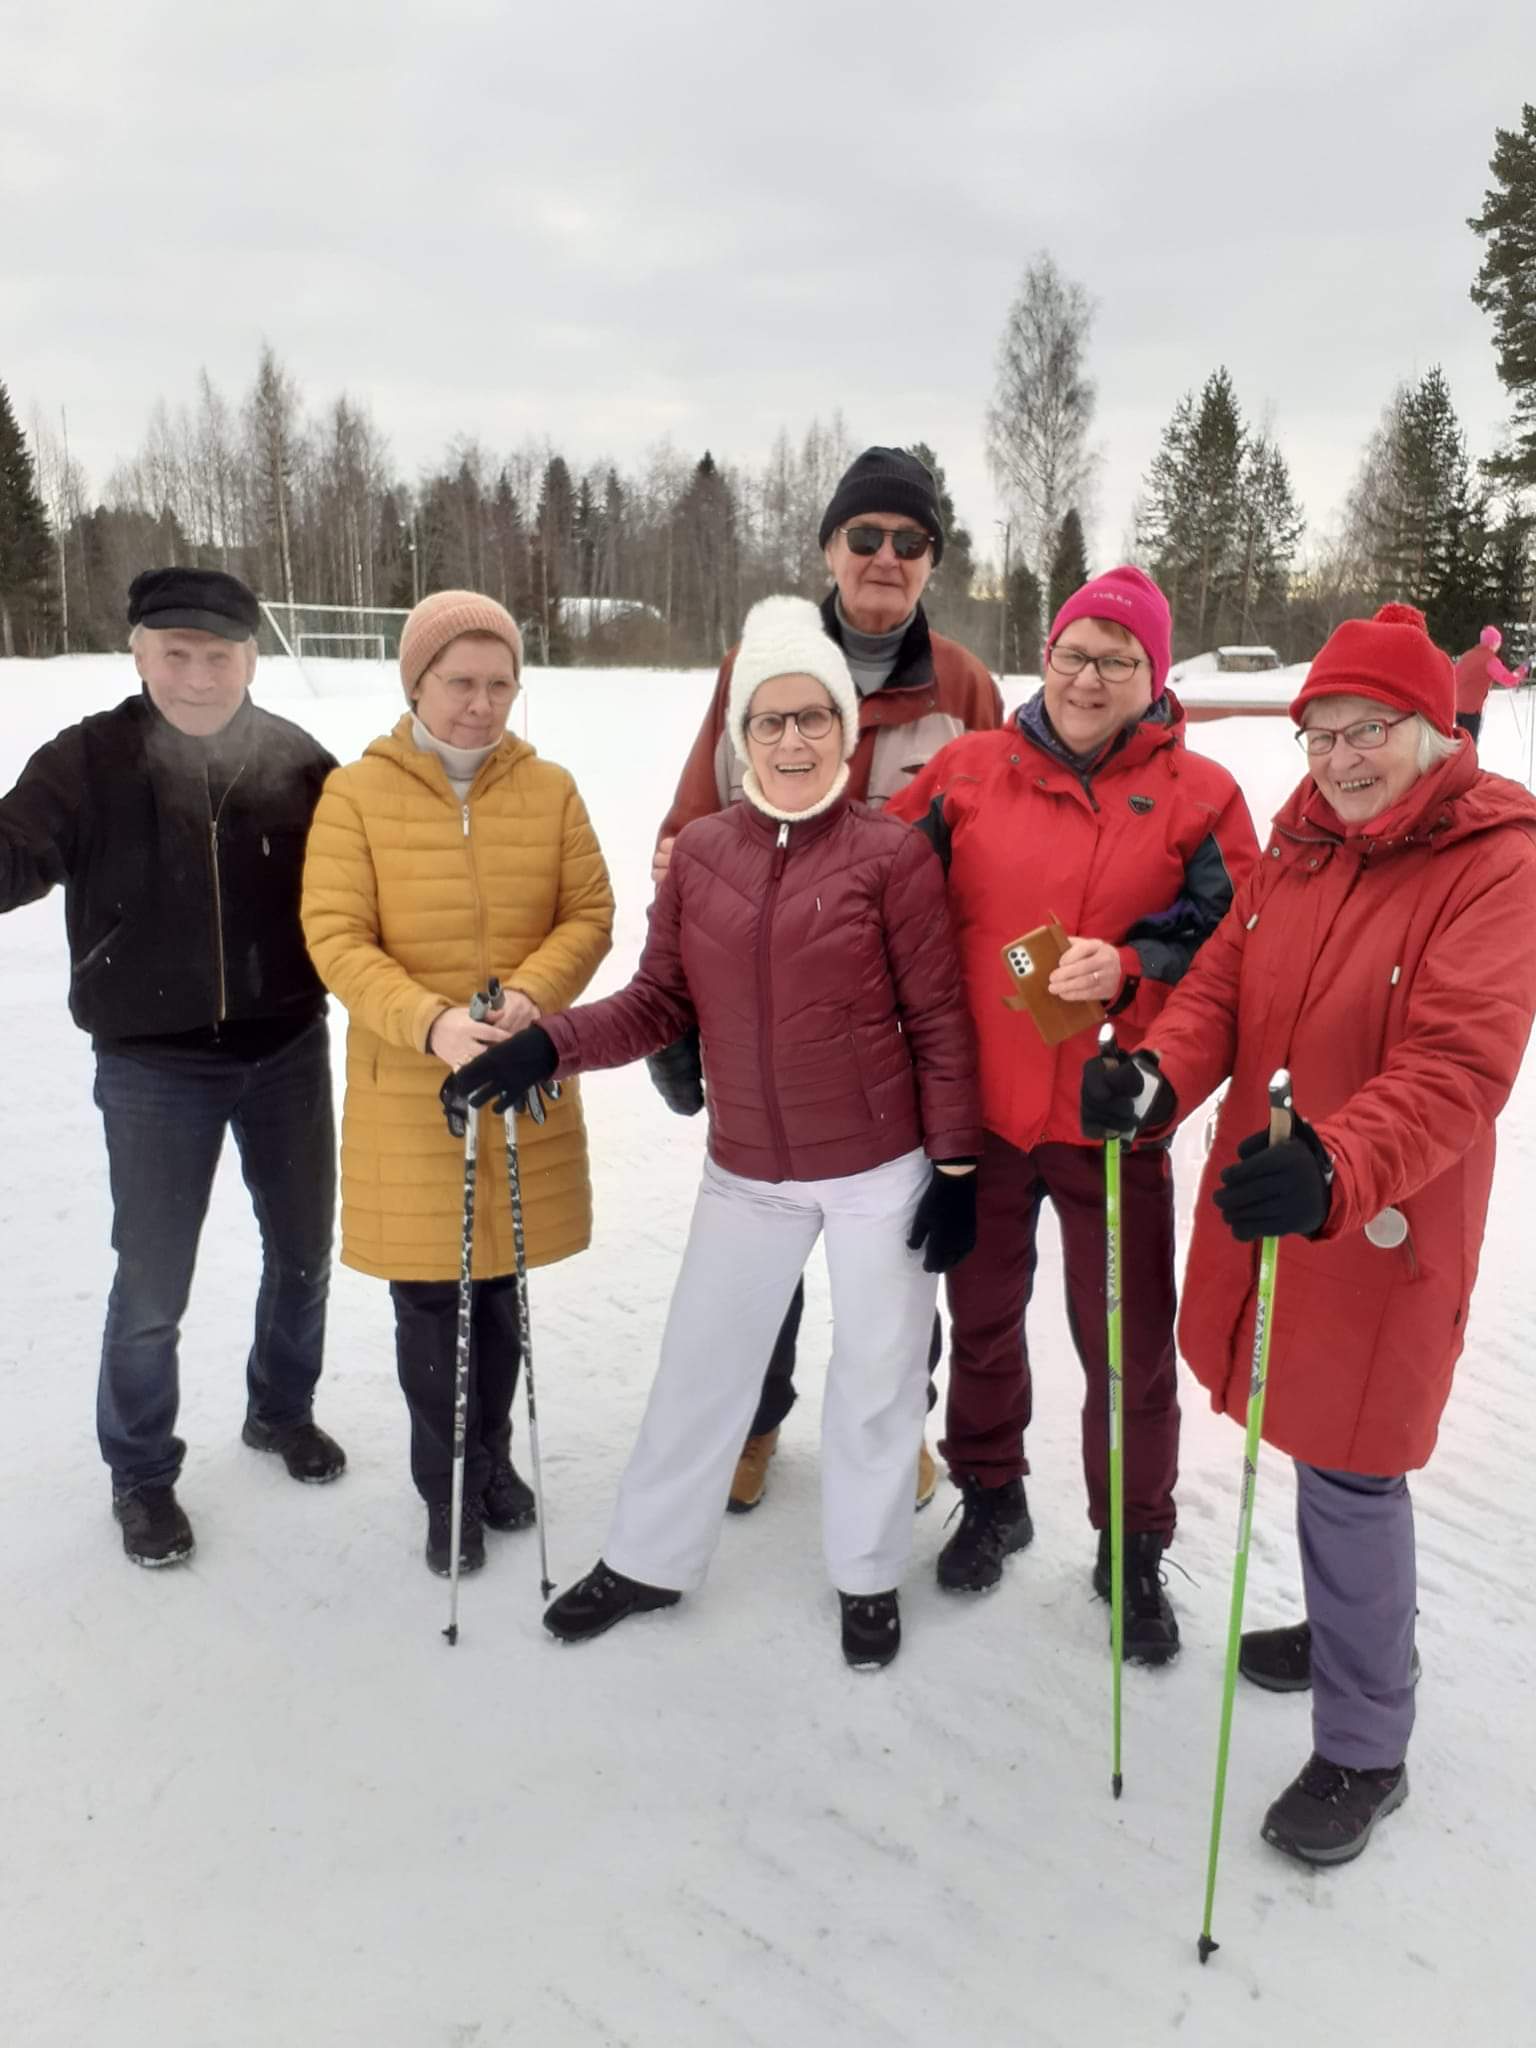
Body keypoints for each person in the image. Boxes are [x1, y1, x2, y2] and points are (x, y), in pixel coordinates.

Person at [1082, 601, 1536, 1861]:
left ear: (1436, 728)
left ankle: (1366, 1741)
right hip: (1278, 1198)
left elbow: (1461, 1061)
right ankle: (1352, 1630)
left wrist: (1338, 1162)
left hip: (1376, 1211)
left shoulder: (1496, 860)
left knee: (1352, 1462)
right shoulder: (1301, 847)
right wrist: (1159, 1077)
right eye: (1320, 732)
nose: (1340, 758)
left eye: (1369, 730)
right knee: (1304, 1419)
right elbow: (1221, 984)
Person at [448, 596, 981, 1669]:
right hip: (747, 1169)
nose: (793, 740)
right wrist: (545, 1046)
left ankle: (868, 1572)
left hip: (879, 1165)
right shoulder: (700, 855)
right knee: (701, 1364)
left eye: (814, 718)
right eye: (770, 721)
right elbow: (657, 1001)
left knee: (878, 1378)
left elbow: (939, 1018)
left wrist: (957, 1163)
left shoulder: (892, 856)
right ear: (741, 738)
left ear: (842, 725)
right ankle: (649, 1556)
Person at [884, 566, 1258, 1662]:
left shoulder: (1202, 795)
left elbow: (1236, 947)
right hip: (985, 1119)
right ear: (1044, 658)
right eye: (1074, 653)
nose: (1092, 676)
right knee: (984, 1319)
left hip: (1113, 1121)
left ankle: (1133, 1543)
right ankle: (992, 1492)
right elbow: (882, 890)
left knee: (1127, 1347)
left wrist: (1136, 964)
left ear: (1155, 674)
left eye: (1120, 658)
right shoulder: (967, 771)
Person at [650, 447, 1003, 1515]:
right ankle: (754, 1423)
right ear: (828, 549)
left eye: (909, 541)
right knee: (762, 1238)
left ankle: (898, 1432)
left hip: (901, 1023)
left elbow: (1004, 847)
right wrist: (674, 1009)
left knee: (899, 1253)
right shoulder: (757, 666)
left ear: (931, 561)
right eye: (866, 536)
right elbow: (692, 828)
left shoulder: (963, 685)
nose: (885, 557)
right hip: (773, 1014)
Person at [0, 568, 344, 1567]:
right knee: (151, 1283)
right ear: (140, 652)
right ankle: (142, 1473)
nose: (198, 677)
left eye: (220, 655)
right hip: (153, 1066)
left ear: (251, 657)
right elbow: (12, 851)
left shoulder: (299, 761)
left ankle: (281, 1410)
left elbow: (374, 882)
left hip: (285, 1047)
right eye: (177, 653)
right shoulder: (86, 763)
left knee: (302, 1253)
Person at [301, 591, 613, 1576]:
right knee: (433, 1301)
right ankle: (446, 1490)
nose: (481, 703)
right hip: (412, 1091)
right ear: (417, 682)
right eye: (459, 682)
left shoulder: (552, 787)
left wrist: (532, 997)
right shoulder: (356, 792)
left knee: (500, 1291)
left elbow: (589, 912)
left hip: (517, 1083)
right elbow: (336, 937)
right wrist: (430, 1021)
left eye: (499, 683)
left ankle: (493, 1461)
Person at [1453, 624, 1527, 745]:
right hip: (1472, 711)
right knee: (1469, 746)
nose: (1499, 645)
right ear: (1493, 643)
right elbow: (1508, 680)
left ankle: (1458, 763)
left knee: (1460, 745)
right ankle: (1468, 763)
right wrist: (1523, 669)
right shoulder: (1490, 660)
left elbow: (1454, 675)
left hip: (1457, 708)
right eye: (1498, 642)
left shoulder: (1467, 655)